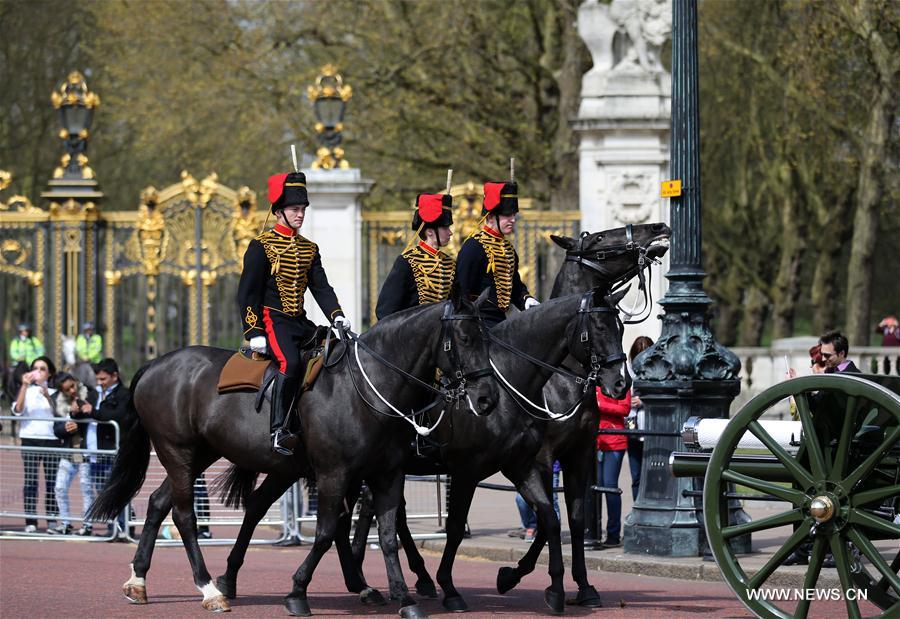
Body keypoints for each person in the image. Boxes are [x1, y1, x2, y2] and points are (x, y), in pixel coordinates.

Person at [237, 171, 350, 455]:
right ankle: (279, 430)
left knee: (336, 352)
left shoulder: (309, 249)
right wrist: (254, 333)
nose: (300, 215)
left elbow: (321, 287)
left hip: (300, 321)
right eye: (295, 209)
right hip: (273, 320)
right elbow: (247, 293)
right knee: (290, 363)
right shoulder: (261, 247)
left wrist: (336, 314)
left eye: (302, 210)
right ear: (278, 212)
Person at [454, 178, 538, 327]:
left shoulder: (508, 248)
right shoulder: (474, 247)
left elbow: (515, 285)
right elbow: (462, 290)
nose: (512, 220)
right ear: (491, 217)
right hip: (478, 322)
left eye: (513, 215)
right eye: (507, 215)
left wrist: (526, 298)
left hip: (502, 320)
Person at [376, 192, 455, 319]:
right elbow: (385, 310)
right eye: (445, 228)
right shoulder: (407, 261)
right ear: (430, 231)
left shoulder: (449, 263)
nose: (450, 233)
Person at [12, 355, 60, 532]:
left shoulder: (55, 393)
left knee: (52, 482)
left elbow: (60, 413)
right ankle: (31, 521)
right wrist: (24, 385)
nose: (38, 372)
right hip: (30, 438)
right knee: (31, 480)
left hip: (51, 440)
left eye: (42, 369)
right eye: (35, 368)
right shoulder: (26, 390)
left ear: (49, 374)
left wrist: (47, 395)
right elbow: (17, 410)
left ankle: (52, 520)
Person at [85, 358, 131, 537]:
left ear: (115, 376)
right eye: (98, 379)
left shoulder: (124, 394)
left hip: (114, 450)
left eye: (103, 379)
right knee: (103, 490)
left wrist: (93, 412)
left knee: (117, 490)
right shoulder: (94, 393)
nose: (100, 383)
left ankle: (122, 527)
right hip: (96, 450)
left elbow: (118, 415)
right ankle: (115, 526)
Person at [51, 372, 98, 535]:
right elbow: (56, 429)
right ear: (61, 391)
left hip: (86, 450)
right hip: (69, 451)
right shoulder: (58, 402)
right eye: (67, 389)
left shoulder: (90, 393)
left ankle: (87, 524)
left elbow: (93, 414)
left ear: (76, 381)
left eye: (73, 385)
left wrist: (76, 417)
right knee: (59, 487)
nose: (72, 390)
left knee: (86, 487)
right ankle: (65, 523)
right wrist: (65, 428)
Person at [595, 384, 630, 548]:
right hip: (596, 441)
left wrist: (601, 406)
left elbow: (625, 409)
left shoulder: (621, 385)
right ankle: (595, 530)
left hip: (614, 440)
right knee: (596, 488)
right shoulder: (594, 384)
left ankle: (613, 534)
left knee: (609, 487)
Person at [625, 336, 653, 501]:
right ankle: (637, 506)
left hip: (650, 428)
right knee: (636, 476)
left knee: (651, 475)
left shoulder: (657, 370)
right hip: (632, 427)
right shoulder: (627, 371)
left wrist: (644, 401)